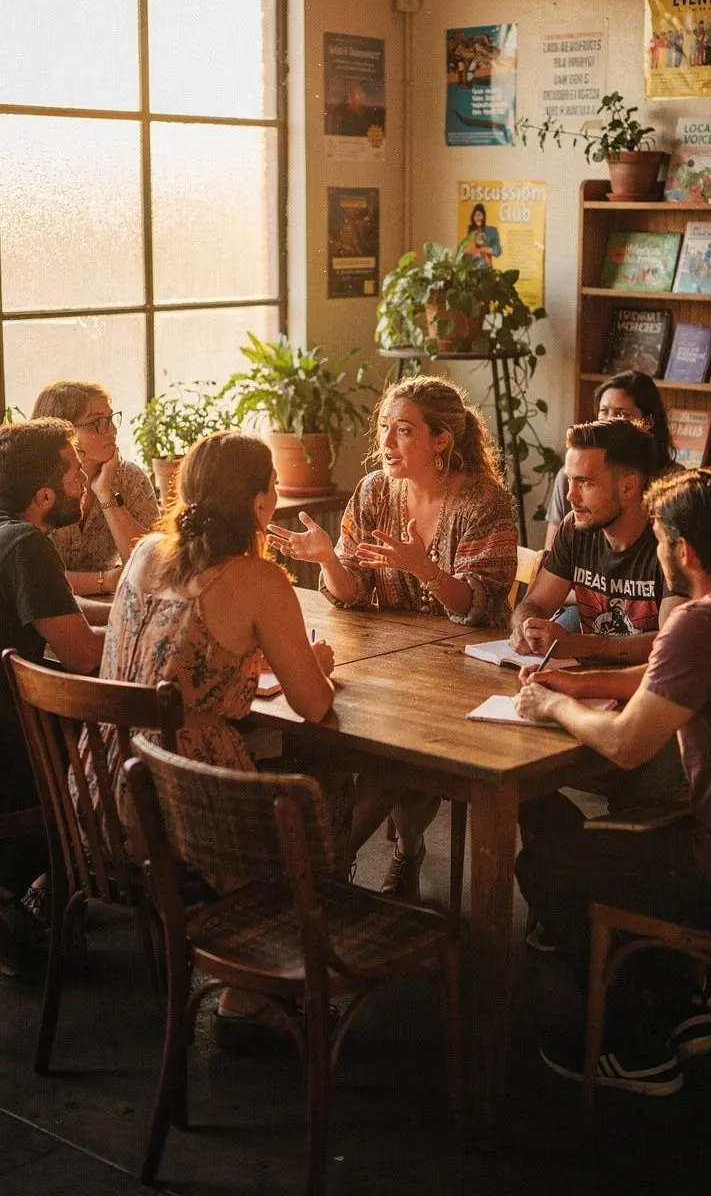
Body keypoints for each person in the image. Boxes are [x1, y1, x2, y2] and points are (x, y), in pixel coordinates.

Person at [513, 468, 711, 1096]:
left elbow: (627, 747)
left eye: (659, 538)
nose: (656, 550)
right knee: (602, 840)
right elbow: (680, 680)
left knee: (547, 864)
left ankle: (637, 1043)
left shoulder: (701, 622)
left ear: (686, 552)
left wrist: (555, 709)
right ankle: (681, 1001)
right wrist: (581, 684)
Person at [92, 431, 340, 1041]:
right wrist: (321, 665)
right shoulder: (258, 580)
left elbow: (172, 655)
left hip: (99, 784)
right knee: (308, 807)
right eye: (272, 488)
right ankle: (247, 990)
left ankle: (250, 966)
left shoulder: (148, 551)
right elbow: (312, 706)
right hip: (178, 801)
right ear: (260, 504)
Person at [267, 375, 517, 900]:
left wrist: (426, 570)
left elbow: (480, 606)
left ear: (441, 440)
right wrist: (328, 560)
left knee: (393, 753)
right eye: (384, 428)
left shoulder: (483, 501)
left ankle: (341, 865)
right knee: (331, 733)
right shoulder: (375, 490)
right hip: (387, 659)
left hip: (462, 674)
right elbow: (351, 593)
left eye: (403, 432)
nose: (385, 444)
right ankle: (331, 864)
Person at [0, 420, 105, 975]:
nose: (84, 483)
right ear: (44, 496)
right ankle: (44, 891)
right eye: (74, 474)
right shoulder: (24, 545)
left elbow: (59, 613)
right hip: (15, 752)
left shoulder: (7, 536)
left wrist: (138, 612)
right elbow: (83, 654)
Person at [514, 420, 678, 663]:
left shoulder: (672, 540)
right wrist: (526, 628)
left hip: (649, 690)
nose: (570, 495)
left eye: (585, 483)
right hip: (585, 683)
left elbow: (671, 644)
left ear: (628, 486)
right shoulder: (575, 526)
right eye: (569, 480)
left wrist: (577, 645)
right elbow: (535, 604)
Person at [31, 382, 159, 600]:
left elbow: (152, 564)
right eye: (96, 423)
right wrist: (105, 580)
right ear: (63, 432)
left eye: (110, 419)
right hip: (44, 607)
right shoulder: (32, 484)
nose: (111, 430)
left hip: (108, 604)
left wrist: (105, 493)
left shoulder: (128, 477)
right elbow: (30, 575)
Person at [544, 371, 677, 552]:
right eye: (604, 411)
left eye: (622, 414)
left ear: (648, 421)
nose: (609, 421)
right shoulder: (569, 477)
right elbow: (551, 552)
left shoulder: (674, 480)